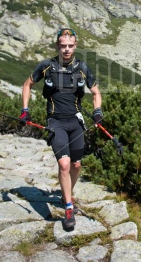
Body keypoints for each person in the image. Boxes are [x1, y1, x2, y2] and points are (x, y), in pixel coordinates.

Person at [20, 28, 103, 231]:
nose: (66, 49)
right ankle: (68, 207)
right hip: (55, 121)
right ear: (58, 46)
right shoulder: (47, 66)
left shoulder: (82, 67)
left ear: (75, 46)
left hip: (76, 122)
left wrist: (98, 111)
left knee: (76, 165)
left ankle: (67, 192)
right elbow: (27, 84)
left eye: (70, 46)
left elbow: (95, 92)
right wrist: (25, 110)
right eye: (63, 46)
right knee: (64, 165)